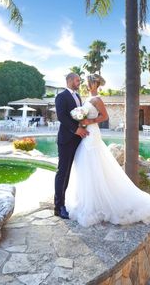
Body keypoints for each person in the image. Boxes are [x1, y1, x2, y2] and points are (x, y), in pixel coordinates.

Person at [65, 74, 150, 227]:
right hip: (87, 133)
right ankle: (90, 199)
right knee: (86, 165)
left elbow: (105, 116)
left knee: (92, 163)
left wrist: (89, 121)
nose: (86, 84)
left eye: (88, 83)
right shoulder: (87, 98)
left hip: (92, 134)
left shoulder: (97, 99)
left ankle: (98, 202)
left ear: (94, 84)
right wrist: (81, 120)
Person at [53, 72, 88, 219]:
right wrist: (76, 129)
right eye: (77, 80)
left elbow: (78, 115)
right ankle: (59, 206)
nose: (79, 82)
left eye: (79, 80)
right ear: (69, 80)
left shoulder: (78, 96)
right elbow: (61, 116)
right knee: (63, 172)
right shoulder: (61, 96)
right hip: (66, 139)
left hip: (78, 140)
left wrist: (83, 124)